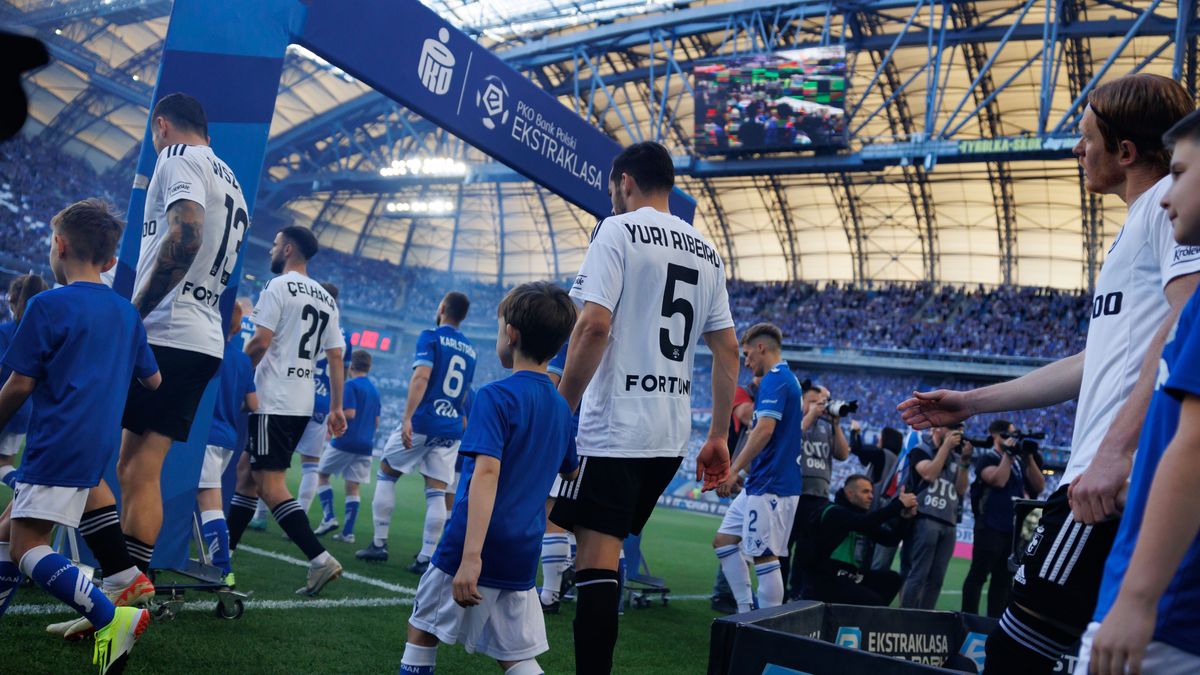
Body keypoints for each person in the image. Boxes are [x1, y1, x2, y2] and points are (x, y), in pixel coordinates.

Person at [898, 74, 1199, 672]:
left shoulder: (1164, 208)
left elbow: (1187, 315)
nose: (1075, 149)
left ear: (1126, 152)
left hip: (1108, 483)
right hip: (1106, 478)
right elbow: (1098, 363)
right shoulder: (1139, 224)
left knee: (1020, 649)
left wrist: (1116, 452)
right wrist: (974, 402)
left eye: (1085, 137)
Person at [550, 141, 738, 675]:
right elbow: (727, 348)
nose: (612, 198)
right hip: (669, 436)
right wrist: (719, 435)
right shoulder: (708, 250)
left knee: (593, 556)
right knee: (592, 543)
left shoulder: (617, 230)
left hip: (615, 426)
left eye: (613, 189)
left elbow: (593, 325)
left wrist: (561, 407)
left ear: (625, 181)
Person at [77, 92, 249, 575]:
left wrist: (134, 313)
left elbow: (186, 235)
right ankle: (128, 590)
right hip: (202, 336)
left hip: (167, 332)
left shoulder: (177, 155)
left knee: (101, 457)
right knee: (136, 468)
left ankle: (124, 584)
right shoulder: (230, 179)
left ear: (162, 125)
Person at [0, 199, 159, 673]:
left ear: (59, 245)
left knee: (27, 546)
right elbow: (153, 381)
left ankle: (112, 618)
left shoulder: (47, 304)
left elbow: (20, 384)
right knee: (9, 530)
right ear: (110, 261)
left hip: (56, 440)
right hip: (95, 444)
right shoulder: (127, 314)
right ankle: (119, 595)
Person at [399, 282, 578, 675]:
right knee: (514, 654)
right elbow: (570, 469)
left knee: (422, 630)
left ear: (510, 334)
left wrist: (470, 557)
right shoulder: (562, 410)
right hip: (523, 547)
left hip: (474, 542)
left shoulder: (495, 396)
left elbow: (487, 473)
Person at [1080, 108, 1200, 675]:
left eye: (1179, 173)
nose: (1166, 194)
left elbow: (1194, 446)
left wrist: (1138, 598)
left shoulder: (1193, 302)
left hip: (1167, 608)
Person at [225, 226, 346, 596]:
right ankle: (222, 563)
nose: (272, 251)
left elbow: (260, 341)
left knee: (269, 483)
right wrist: (337, 407)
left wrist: (237, 375)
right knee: (247, 474)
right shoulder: (327, 299)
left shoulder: (278, 287)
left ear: (288, 248)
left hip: (273, 398)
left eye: (275, 244)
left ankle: (320, 559)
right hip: (301, 401)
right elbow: (337, 355)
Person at [360, 291, 476, 570]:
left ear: (443, 308)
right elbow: (462, 396)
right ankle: (426, 557)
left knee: (387, 471)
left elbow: (422, 376)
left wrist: (407, 417)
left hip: (425, 419)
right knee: (437, 490)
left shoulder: (431, 336)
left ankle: (379, 544)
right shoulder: (471, 350)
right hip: (450, 427)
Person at [711, 322, 802, 613]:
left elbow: (764, 430)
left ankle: (767, 625)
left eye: (748, 354)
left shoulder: (777, 378)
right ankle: (745, 610)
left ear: (762, 348)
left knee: (765, 555)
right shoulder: (783, 379)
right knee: (724, 540)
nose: (746, 362)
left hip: (771, 485)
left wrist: (734, 469)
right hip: (760, 482)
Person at [196, 301, 257, 588]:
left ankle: (223, 569)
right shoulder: (244, 360)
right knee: (204, 498)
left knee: (209, 502)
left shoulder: (207, 347)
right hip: (227, 438)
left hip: (203, 435)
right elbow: (253, 403)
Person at [963, 420, 1043, 618]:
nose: (1012, 440)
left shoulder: (1018, 463)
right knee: (978, 576)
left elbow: (1039, 487)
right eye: (1009, 435)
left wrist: (1029, 457)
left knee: (1002, 583)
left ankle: (992, 624)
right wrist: (1008, 454)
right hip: (989, 527)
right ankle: (967, 620)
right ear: (996, 436)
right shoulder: (988, 458)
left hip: (1012, 532)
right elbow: (998, 480)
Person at [800, 475, 917, 606]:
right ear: (850, 494)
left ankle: (861, 621)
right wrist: (898, 505)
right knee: (871, 601)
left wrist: (904, 519)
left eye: (871, 492)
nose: (871, 496)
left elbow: (890, 540)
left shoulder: (857, 517)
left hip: (848, 576)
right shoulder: (834, 512)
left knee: (891, 580)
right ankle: (855, 622)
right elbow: (864, 522)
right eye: (865, 491)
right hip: (824, 581)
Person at [785, 382, 850, 600]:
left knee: (807, 552)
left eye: (820, 403)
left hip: (819, 496)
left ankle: (797, 594)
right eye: (812, 402)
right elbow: (790, 439)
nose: (817, 407)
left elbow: (842, 454)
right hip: (794, 492)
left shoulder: (827, 425)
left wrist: (837, 425)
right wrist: (811, 415)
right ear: (801, 401)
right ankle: (778, 595)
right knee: (784, 547)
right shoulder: (794, 420)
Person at [900, 423, 971, 610]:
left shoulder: (956, 457)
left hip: (949, 521)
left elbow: (961, 490)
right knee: (918, 574)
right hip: (926, 516)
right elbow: (930, 474)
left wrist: (964, 461)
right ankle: (905, 617)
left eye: (960, 429)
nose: (958, 433)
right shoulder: (921, 450)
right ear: (937, 428)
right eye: (953, 427)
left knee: (937, 578)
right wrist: (945, 448)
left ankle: (926, 618)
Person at [314, 349, 381, 544]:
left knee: (322, 474)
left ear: (351, 365)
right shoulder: (374, 390)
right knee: (353, 487)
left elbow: (349, 413)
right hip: (366, 445)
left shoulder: (350, 385)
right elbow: (376, 422)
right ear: (369, 367)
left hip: (345, 441)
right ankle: (347, 533)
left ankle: (329, 517)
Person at [299, 281, 352, 523]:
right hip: (323, 401)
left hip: (296, 392)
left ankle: (258, 514)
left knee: (272, 458)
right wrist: (336, 405)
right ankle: (298, 518)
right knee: (311, 463)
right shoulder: (345, 335)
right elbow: (343, 371)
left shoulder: (304, 316)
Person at [711, 373, 760, 614]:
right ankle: (723, 593)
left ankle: (730, 594)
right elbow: (744, 414)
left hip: (739, 472)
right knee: (734, 538)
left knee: (741, 541)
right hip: (731, 467)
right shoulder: (743, 393)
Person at [0, 274, 47, 489]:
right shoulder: (43, 335)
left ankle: (23, 489)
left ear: (13, 299)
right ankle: (21, 488)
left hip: (5, 400)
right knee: (4, 461)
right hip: (25, 410)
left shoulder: (6, 331)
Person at [539, 340, 576, 613]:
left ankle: (550, 595)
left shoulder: (571, 342)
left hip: (572, 434)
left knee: (552, 516)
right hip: (606, 440)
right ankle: (613, 601)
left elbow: (551, 385)